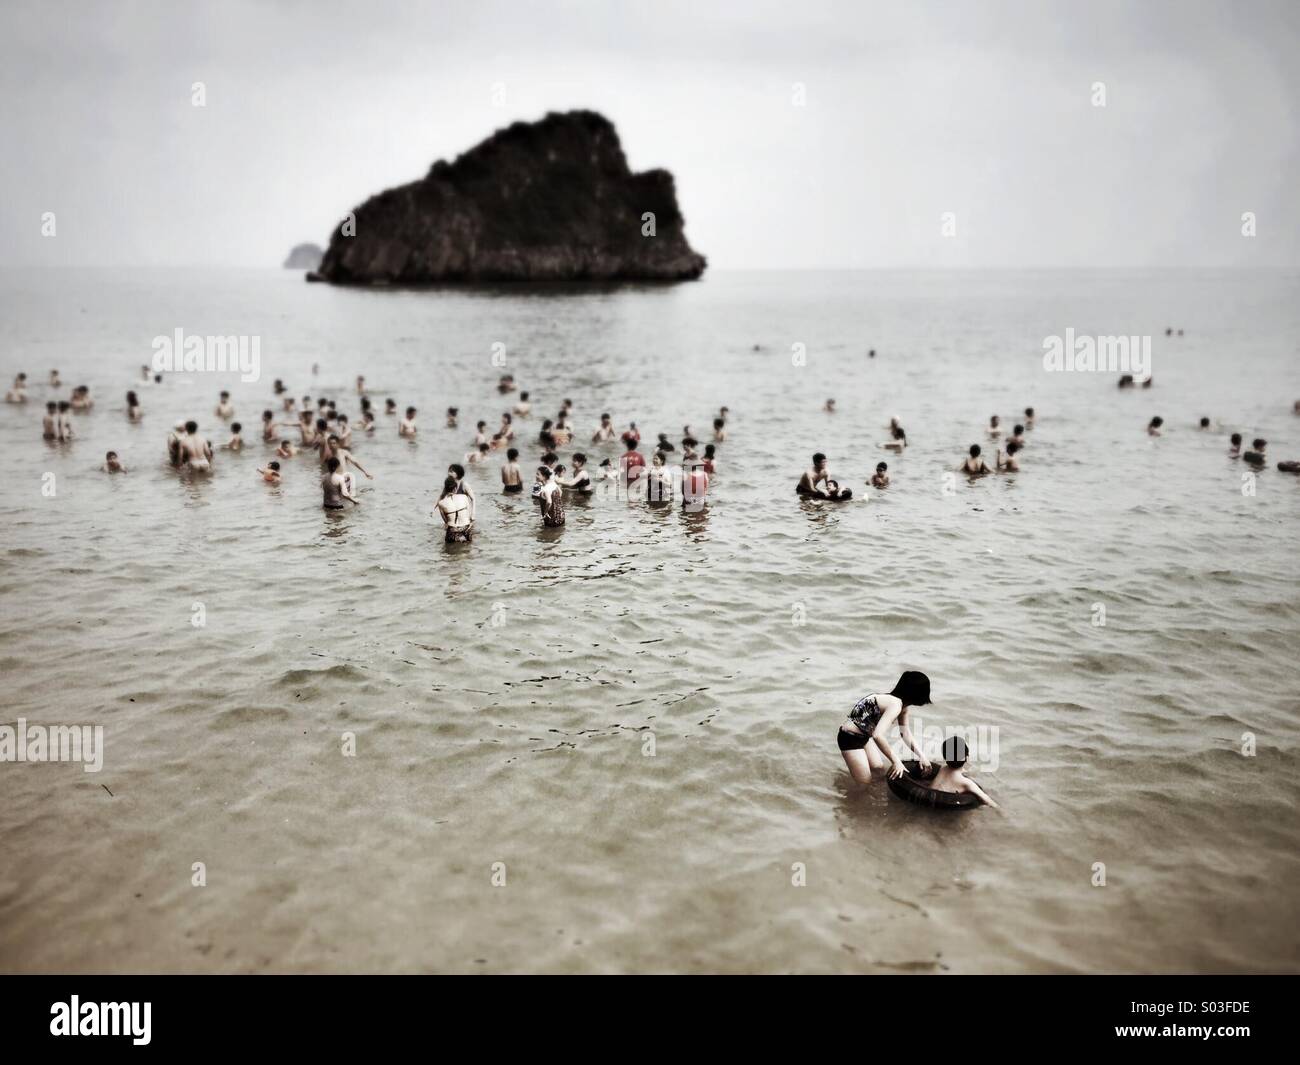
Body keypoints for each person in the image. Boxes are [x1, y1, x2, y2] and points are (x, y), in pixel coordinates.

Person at [837, 670, 933, 783]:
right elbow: (878, 735)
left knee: (878, 770)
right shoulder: (895, 704)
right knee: (864, 784)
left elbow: (905, 733)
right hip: (849, 738)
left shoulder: (902, 707)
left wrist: (922, 756)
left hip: (864, 736)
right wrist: (896, 761)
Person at [925, 736, 999, 808]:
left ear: (945, 757)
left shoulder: (943, 769)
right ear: (967, 758)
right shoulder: (966, 783)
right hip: (943, 806)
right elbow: (987, 800)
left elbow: (954, 772)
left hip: (927, 799)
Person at [437, 475, 473, 542]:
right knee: (468, 550)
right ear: (455, 488)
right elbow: (469, 515)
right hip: (466, 528)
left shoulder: (441, 503)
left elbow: (446, 521)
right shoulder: (464, 497)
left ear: (445, 488)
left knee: (449, 551)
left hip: (452, 531)